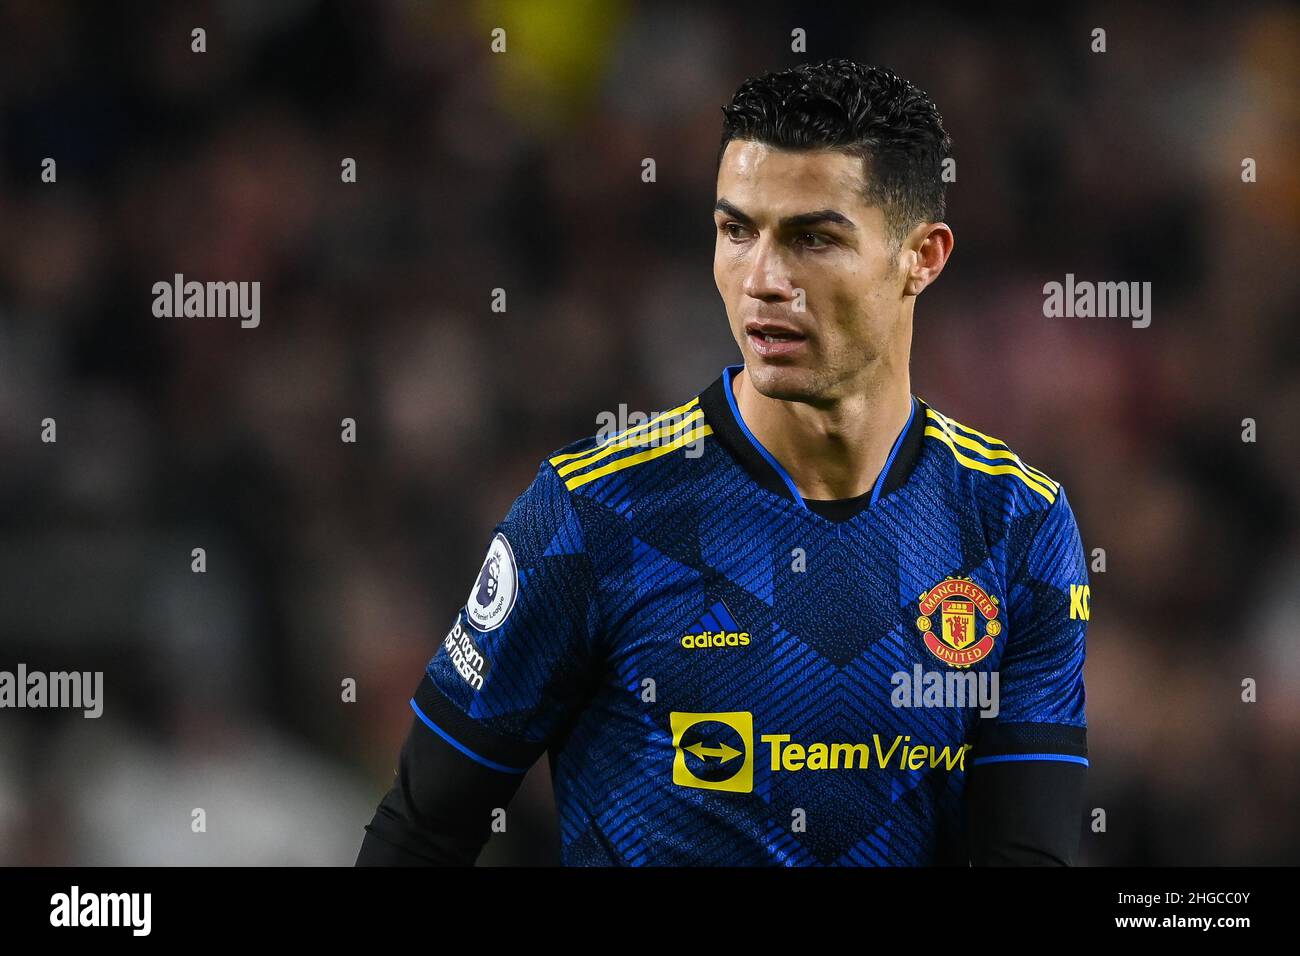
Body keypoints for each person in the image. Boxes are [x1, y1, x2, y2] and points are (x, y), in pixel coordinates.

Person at [356, 58, 1089, 866]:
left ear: (923, 256)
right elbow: (422, 831)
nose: (764, 281)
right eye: (738, 231)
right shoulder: (592, 513)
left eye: (813, 238)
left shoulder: (1016, 523)